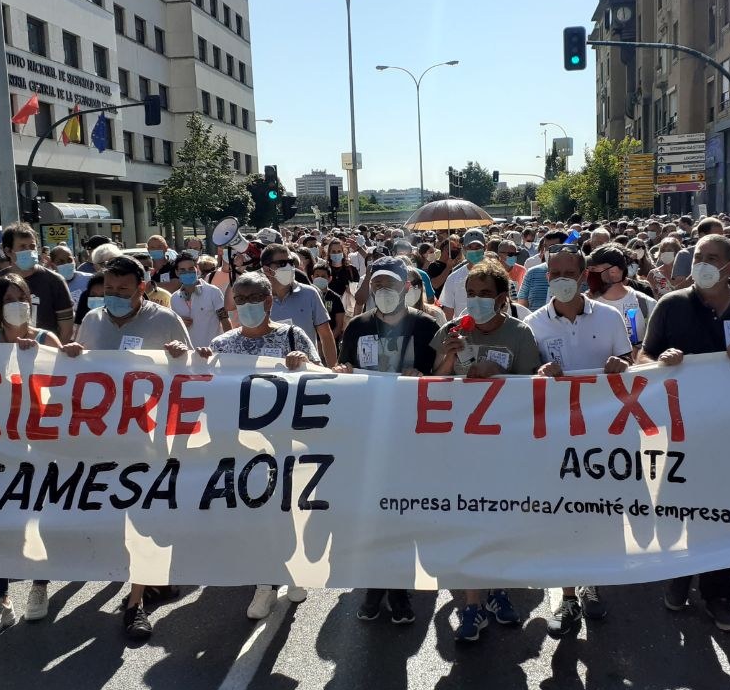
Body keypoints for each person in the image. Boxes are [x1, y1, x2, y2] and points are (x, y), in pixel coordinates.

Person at [641, 233, 730, 633]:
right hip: (681, 426)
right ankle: (679, 576)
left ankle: (720, 594)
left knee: (724, 510)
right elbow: (643, 355)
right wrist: (660, 360)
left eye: (711, 258)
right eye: (697, 257)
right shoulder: (671, 305)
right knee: (681, 505)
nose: (702, 263)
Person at [65, 255, 194, 641]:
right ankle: (149, 580)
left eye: (124, 290)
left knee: (142, 518)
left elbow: (190, 373)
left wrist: (177, 357)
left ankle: (135, 602)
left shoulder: (165, 321)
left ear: (142, 287)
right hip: (101, 438)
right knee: (112, 519)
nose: (115, 296)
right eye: (109, 289)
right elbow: (80, 369)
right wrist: (72, 355)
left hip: (147, 437)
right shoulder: (91, 320)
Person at [524, 244, 633, 638]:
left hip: (605, 434)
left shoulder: (609, 318)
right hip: (557, 435)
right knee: (563, 512)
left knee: (603, 511)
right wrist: (539, 373)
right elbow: (523, 381)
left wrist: (622, 366)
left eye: (569, 273)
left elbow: (631, 366)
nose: (561, 280)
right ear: (547, 275)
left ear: (584, 274)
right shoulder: (533, 323)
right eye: (555, 273)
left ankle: (593, 582)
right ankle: (568, 596)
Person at [430, 259, 540, 641]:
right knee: (469, 522)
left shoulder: (520, 334)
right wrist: (448, 356)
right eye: (471, 294)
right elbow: (431, 386)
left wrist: (499, 374)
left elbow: (533, 389)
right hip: (457, 445)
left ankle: (497, 591)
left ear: (502, 298)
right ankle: (472, 606)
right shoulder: (450, 330)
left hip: (505, 446)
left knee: (499, 522)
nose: (475, 301)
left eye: (484, 295)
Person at [333, 258, 441, 626]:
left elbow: (442, 374)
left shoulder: (427, 325)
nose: (383, 294)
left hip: (412, 432)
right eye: (376, 287)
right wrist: (343, 372)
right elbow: (344, 371)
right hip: (368, 433)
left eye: (390, 287)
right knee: (372, 514)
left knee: (403, 511)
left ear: (406, 288)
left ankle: (396, 589)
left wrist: (422, 375)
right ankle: (379, 586)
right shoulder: (358, 326)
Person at [208, 272, 319, 621]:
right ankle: (265, 582)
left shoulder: (292, 336)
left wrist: (301, 366)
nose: (246, 305)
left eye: (254, 298)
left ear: (269, 301)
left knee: (288, 510)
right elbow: (208, 390)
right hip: (244, 447)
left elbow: (321, 376)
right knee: (256, 515)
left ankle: (294, 571)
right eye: (239, 300)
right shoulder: (223, 345)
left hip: (288, 443)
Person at [0, 273, 64, 634]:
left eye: (22, 296)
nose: (18, 304)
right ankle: (0, 597)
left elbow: (68, 388)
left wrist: (66, 357)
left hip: (39, 444)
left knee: (37, 519)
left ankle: (39, 586)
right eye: (9, 298)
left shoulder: (46, 339)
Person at [0, 222, 75, 341]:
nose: (29, 250)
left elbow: (66, 329)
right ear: (8, 251)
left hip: (44, 352)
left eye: (32, 246)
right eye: (22, 247)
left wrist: (52, 353)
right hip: (8, 352)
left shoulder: (55, 281)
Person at [260, 242, 337, 366]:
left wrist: (333, 371)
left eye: (291, 262)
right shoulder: (258, 298)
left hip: (308, 373)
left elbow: (326, 335)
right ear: (267, 269)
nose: (289, 267)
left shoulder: (310, 293)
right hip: (271, 374)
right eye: (282, 264)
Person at [586, 243, 655, 354]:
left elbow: (658, 346)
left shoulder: (646, 304)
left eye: (594, 270)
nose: (589, 275)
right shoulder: (584, 304)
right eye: (588, 270)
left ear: (614, 272)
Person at [170, 252, 230, 348]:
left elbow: (225, 320)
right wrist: (179, 324)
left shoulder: (213, 291)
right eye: (182, 270)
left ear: (197, 269)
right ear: (177, 272)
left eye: (190, 269)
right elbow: (173, 329)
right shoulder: (174, 298)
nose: (187, 273)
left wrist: (229, 347)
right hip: (188, 354)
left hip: (213, 352)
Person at [438, 228, 489, 319]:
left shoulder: (495, 275)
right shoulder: (453, 278)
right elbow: (448, 312)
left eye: (478, 247)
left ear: (485, 248)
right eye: (470, 247)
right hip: (464, 331)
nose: (474, 250)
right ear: (464, 249)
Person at [51, 244, 92, 309]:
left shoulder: (89, 279)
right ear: (53, 265)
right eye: (61, 262)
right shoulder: (49, 285)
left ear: (74, 260)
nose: (66, 264)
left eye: (69, 260)